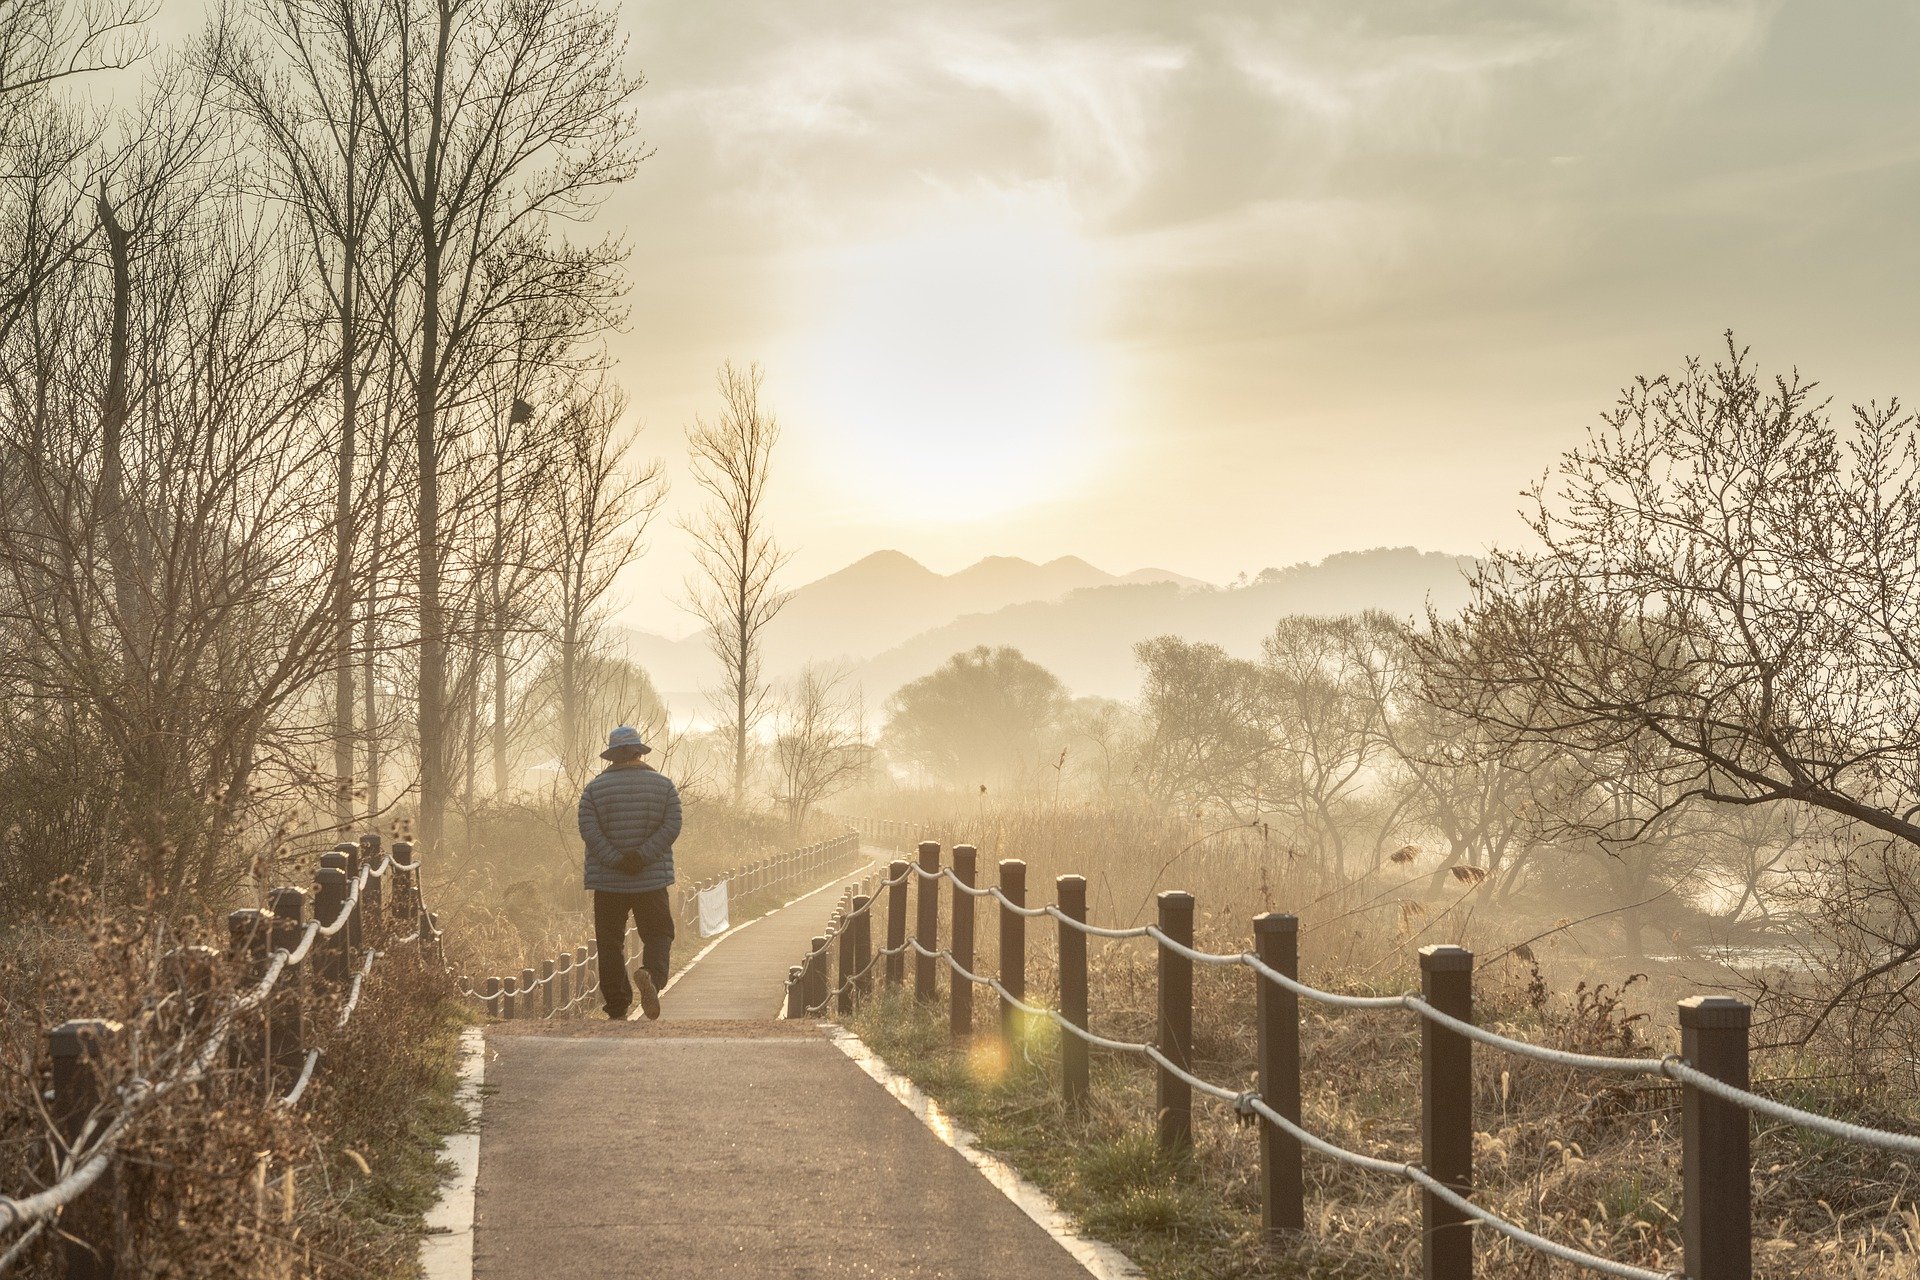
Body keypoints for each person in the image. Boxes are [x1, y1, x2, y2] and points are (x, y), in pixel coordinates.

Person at [578, 725, 681, 1020]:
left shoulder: (593, 790)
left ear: (612, 756)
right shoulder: (664, 786)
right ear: (639, 751)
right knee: (659, 933)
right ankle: (650, 976)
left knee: (610, 942)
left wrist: (616, 860)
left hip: (608, 881)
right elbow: (672, 825)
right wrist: (643, 856)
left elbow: (589, 830)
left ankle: (617, 1005)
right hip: (651, 878)